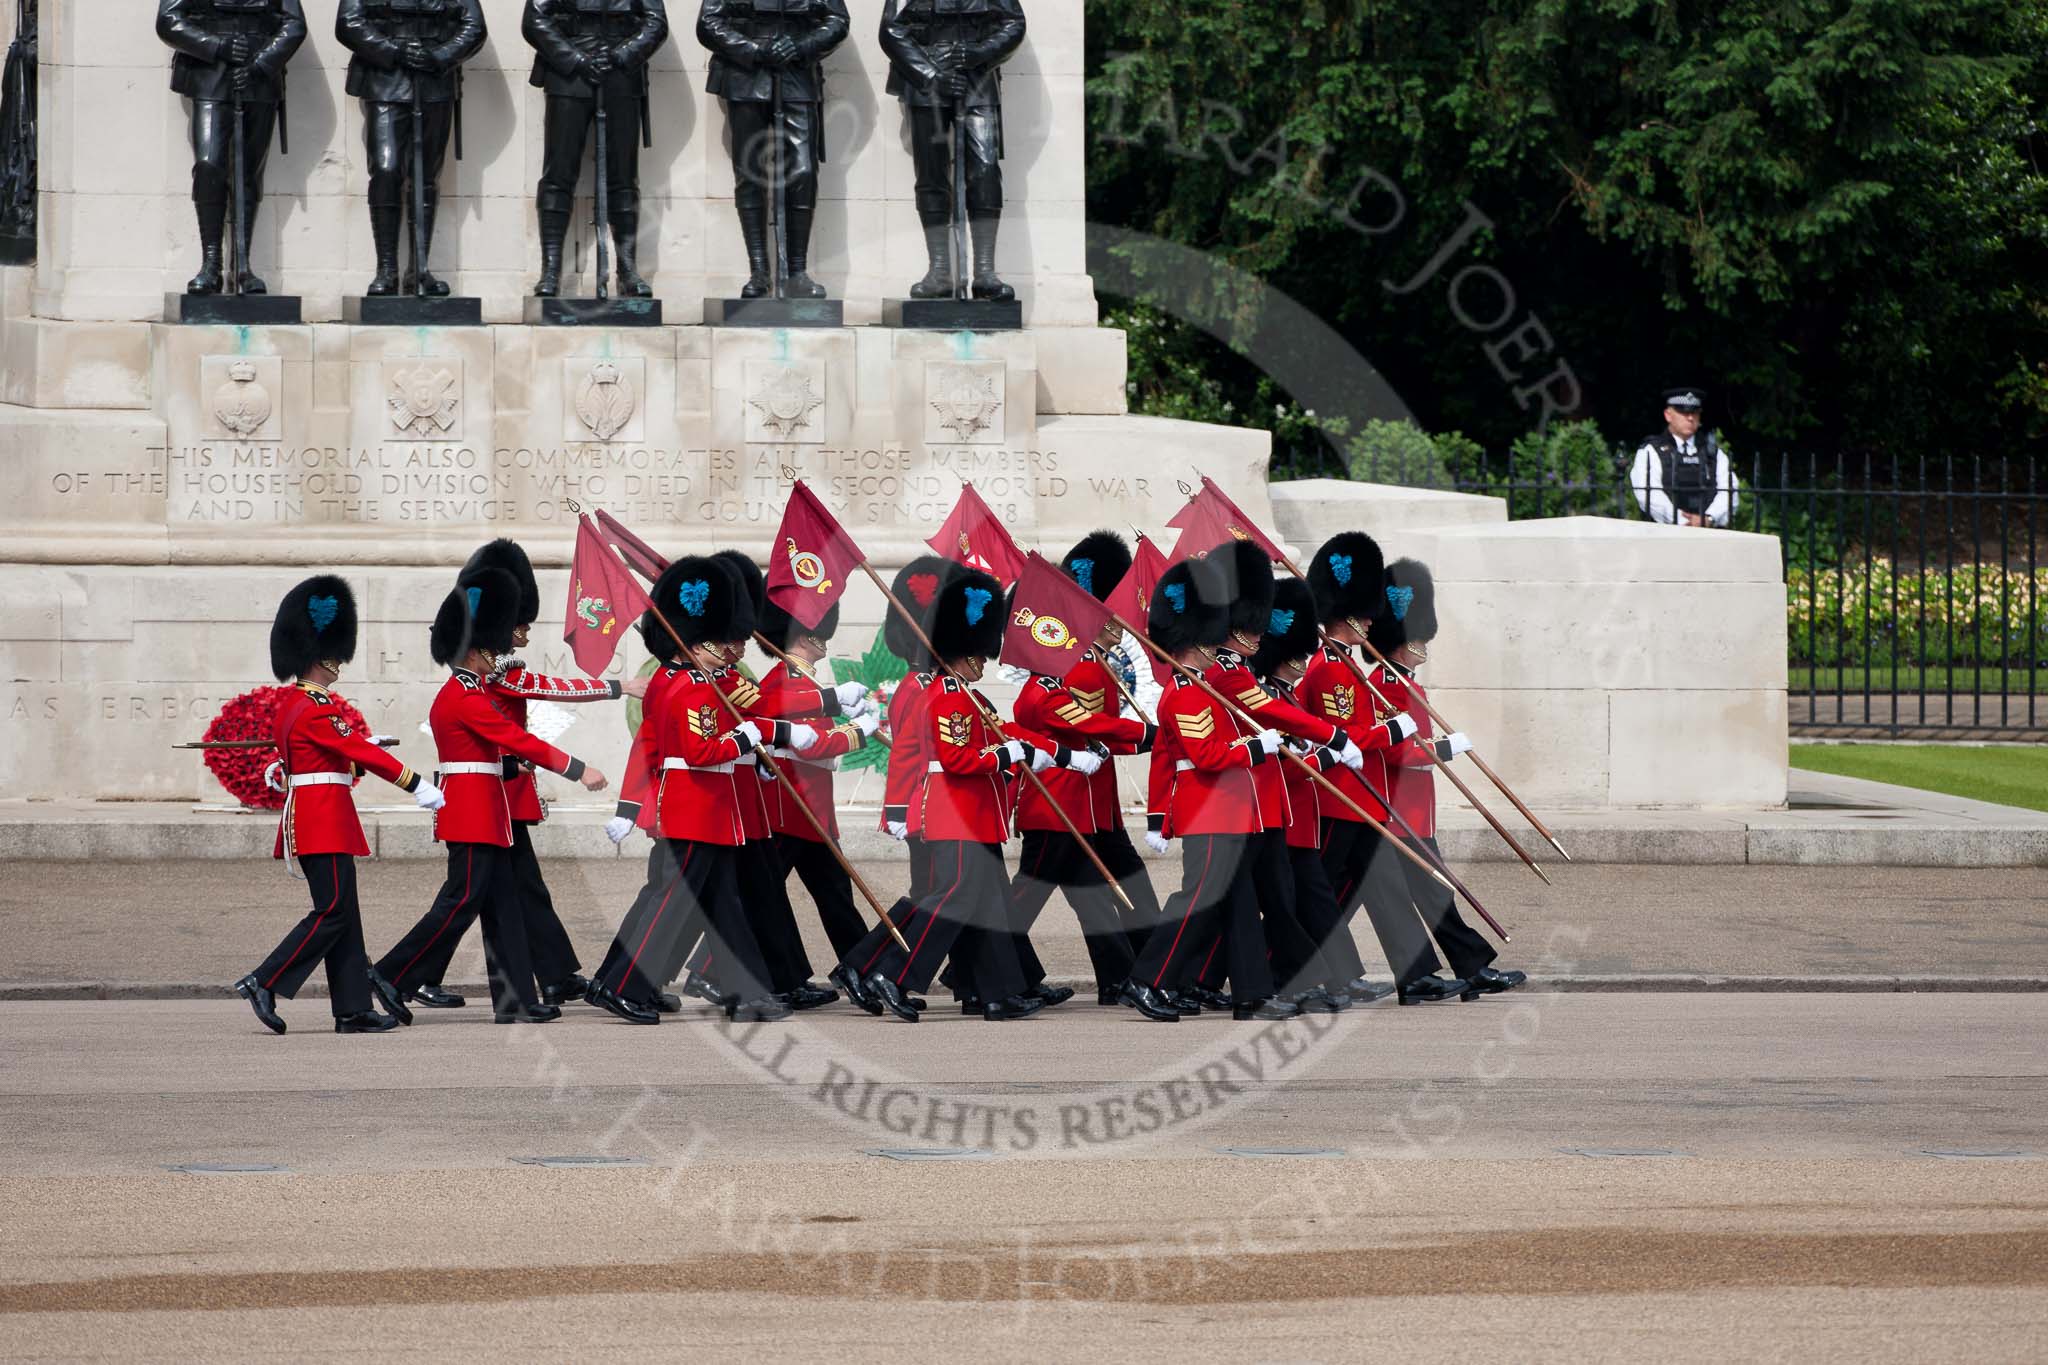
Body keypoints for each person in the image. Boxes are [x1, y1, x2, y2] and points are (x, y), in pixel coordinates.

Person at [402, 538, 646, 1012]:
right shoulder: (495, 673)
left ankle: (548, 976)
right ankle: (414, 973)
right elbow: (550, 687)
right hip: (493, 789)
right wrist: (619, 686)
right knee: (476, 894)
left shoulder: (494, 665)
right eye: (521, 626)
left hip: (505, 789)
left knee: (512, 890)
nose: (526, 635)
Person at [369, 568, 610, 1025]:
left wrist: (514, 767)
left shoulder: (469, 691)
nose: (499, 656)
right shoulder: (464, 696)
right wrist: (580, 770)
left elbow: (488, 755)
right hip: (472, 811)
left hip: (487, 807)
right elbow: (518, 739)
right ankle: (390, 974)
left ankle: (515, 998)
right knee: (460, 902)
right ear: (477, 651)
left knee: (502, 906)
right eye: (493, 650)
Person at [588, 556, 801, 1023]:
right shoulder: (692, 688)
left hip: (709, 807)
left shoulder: (679, 678)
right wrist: (749, 738)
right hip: (694, 806)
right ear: (696, 643)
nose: (728, 652)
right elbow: (702, 752)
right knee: (672, 904)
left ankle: (745, 993)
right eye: (717, 644)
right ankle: (623, 986)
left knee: (725, 904)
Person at [235, 576, 444, 1035]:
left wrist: (357, 742)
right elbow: (359, 753)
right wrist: (416, 785)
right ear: (322, 657)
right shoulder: (317, 707)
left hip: (317, 814)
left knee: (345, 913)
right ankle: (264, 980)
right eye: (335, 657)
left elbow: (330, 750)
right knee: (332, 912)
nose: (339, 665)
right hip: (321, 819)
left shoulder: (295, 704)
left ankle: (352, 1009)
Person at [843, 568, 1054, 1023]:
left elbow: (996, 736)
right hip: (951, 811)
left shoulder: (961, 694)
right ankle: (890, 972)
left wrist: (1053, 751)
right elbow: (954, 760)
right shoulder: (946, 696)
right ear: (960, 653)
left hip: (970, 812)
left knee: (983, 901)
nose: (984, 660)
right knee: (951, 896)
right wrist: (1004, 756)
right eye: (977, 652)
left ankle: (995, 990)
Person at [1301, 532, 1470, 1006]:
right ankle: (1287, 971)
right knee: (1323, 895)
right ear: (1349, 614)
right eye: (1366, 613)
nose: (1373, 621)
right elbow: (1344, 737)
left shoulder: (1347, 667)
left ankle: (1413, 976)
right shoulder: (1328, 670)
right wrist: (1394, 733)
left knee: (1381, 890)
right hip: (1340, 795)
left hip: (1363, 799)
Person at [1124, 558, 1293, 1023]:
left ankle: (1251, 994)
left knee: (1235, 905)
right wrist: (1257, 748)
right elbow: (1209, 756)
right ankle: (1147, 980)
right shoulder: (1183, 693)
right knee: (1196, 902)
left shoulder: (1201, 686)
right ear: (1191, 642)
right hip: (1208, 810)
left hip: (1226, 811)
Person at [1003, 532, 1160, 1006]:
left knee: (1107, 890)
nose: (1117, 625)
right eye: (1108, 617)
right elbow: (1091, 729)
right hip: (1062, 798)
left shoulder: (1092, 661)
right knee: (1034, 898)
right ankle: (975, 963)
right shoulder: (1078, 667)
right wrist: (1149, 736)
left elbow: (1101, 741)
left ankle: (1139, 973)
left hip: (1093, 801)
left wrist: (1141, 740)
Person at [829, 555, 952, 1012]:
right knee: (941, 896)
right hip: (926, 810)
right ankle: (873, 967)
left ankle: (862, 965)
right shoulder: (920, 688)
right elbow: (905, 756)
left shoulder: (928, 684)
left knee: (940, 895)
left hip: (934, 807)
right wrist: (900, 811)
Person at [751, 592, 881, 961]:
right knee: (763, 897)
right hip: (790, 808)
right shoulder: (785, 681)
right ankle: (712, 972)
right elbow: (813, 746)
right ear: (808, 636)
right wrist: (858, 730)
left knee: (834, 894)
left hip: (809, 809)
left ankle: (862, 968)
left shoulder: (805, 682)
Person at [696, 0, 849, 299]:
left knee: (804, 170)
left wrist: (802, 46)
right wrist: (753, 51)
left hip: (797, 73)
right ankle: (759, 272)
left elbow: (837, 21)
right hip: (744, 75)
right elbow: (708, 23)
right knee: (749, 173)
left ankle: (797, 272)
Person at [335, 0, 486, 297]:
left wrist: (439, 56)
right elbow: (349, 23)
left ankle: (418, 269)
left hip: (435, 82)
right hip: (384, 81)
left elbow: (474, 27)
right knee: (386, 169)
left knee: (426, 175)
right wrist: (395, 51)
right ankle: (387, 269)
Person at [157, 0, 308, 295]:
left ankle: (243, 264)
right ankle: (211, 263)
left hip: (258, 78)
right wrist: (216, 46)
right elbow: (169, 20)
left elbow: (294, 25)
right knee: (208, 164)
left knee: (248, 172)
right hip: (209, 76)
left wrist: (262, 64)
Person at [878, 0, 1025, 300]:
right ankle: (940, 271)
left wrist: (981, 53)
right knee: (932, 175)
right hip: (926, 80)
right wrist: (932, 76)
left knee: (985, 169)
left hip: (978, 79)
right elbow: (891, 30)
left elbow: (1014, 23)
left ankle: (985, 273)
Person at [522, 0, 669, 298]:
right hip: (568, 76)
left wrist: (621, 55)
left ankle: (627, 269)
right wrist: (576, 59)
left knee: (624, 178)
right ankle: (550, 270)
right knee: (558, 173)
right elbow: (535, 21)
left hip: (622, 76)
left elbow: (656, 23)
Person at [1630, 386, 1739, 528]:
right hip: (1665, 533)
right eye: (1683, 412)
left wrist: (1709, 518)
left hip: (1708, 534)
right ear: (1668, 415)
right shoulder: (1651, 451)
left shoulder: (1713, 453)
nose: (1690, 418)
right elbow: (1648, 496)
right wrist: (1682, 521)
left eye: (1694, 413)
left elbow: (1730, 491)